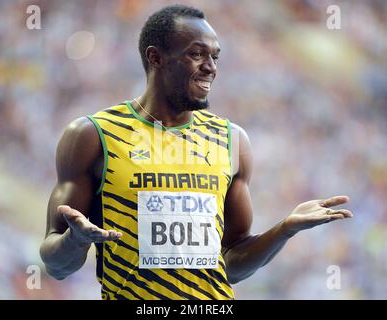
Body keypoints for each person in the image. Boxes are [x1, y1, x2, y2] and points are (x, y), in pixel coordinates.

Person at [39, 4, 353, 300]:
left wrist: (285, 230)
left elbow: (229, 262)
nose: (211, 68)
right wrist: (75, 240)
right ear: (156, 57)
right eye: (197, 54)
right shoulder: (93, 135)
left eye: (215, 57)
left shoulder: (232, 141)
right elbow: (57, 266)